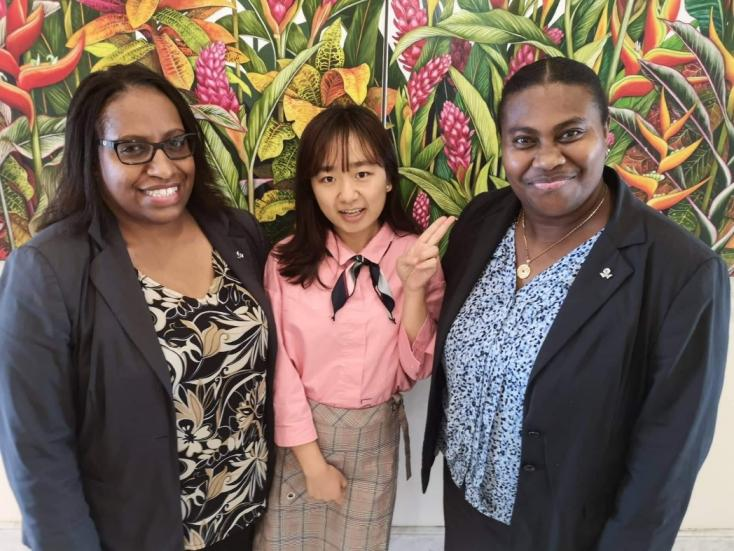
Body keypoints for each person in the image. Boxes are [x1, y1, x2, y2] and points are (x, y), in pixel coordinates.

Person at [421, 57, 730, 551]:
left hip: (572, 531)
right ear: (504, 148)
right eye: (525, 140)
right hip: (465, 513)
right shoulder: (481, 222)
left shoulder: (680, 271)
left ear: (606, 135)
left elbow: (668, 459)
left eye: (570, 134)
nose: (547, 158)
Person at [0, 63, 277, 551]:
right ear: (91, 158)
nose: (164, 167)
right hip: (137, 535)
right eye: (132, 149)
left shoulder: (236, 233)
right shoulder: (47, 270)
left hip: (248, 521)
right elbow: (38, 452)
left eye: (175, 143)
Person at [254, 105, 451, 550]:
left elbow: (418, 368)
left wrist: (414, 289)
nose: (347, 195)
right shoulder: (285, 261)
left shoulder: (416, 256)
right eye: (328, 178)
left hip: (375, 440)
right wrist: (312, 465)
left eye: (362, 174)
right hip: (302, 441)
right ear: (310, 188)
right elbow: (279, 370)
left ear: (388, 178)